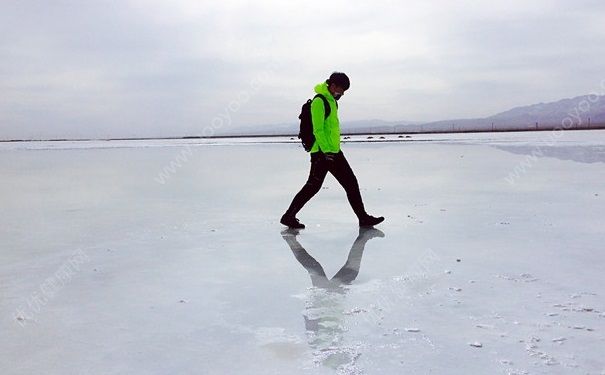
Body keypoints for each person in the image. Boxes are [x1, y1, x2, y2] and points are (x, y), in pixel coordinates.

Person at [280, 72, 385, 229]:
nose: (342, 93)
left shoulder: (332, 102)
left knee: (349, 183)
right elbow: (318, 129)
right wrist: (327, 151)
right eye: (341, 90)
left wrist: (333, 149)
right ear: (333, 85)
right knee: (313, 186)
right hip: (322, 153)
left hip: (333, 151)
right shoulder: (319, 101)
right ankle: (288, 216)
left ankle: (363, 218)